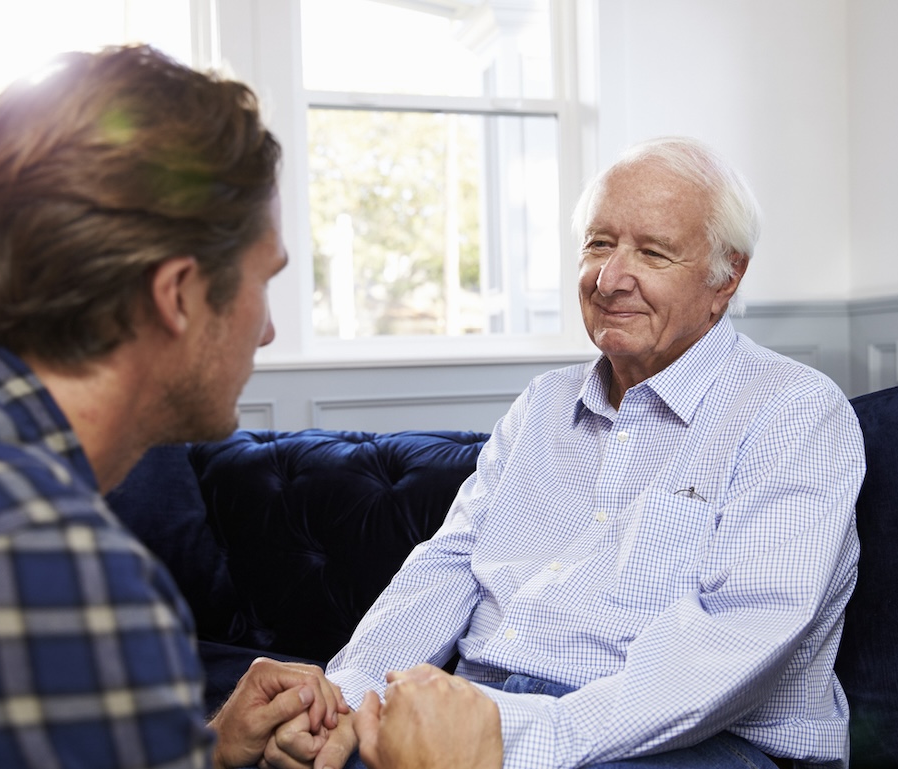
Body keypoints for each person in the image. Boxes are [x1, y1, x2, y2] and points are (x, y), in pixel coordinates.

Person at [268, 136, 865, 769]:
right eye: (599, 244)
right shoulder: (543, 403)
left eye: (652, 252)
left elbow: (737, 639)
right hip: (490, 710)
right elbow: (450, 564)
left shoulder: (794, 411)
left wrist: (504, 738)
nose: (610, 280)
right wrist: (349, 701)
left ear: (728, 277)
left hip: (693, 743)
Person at [0, 44, 355, 769]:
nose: (268, 329)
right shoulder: (56, 570)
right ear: (178, 295)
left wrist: (207, 749)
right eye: (264, 280)